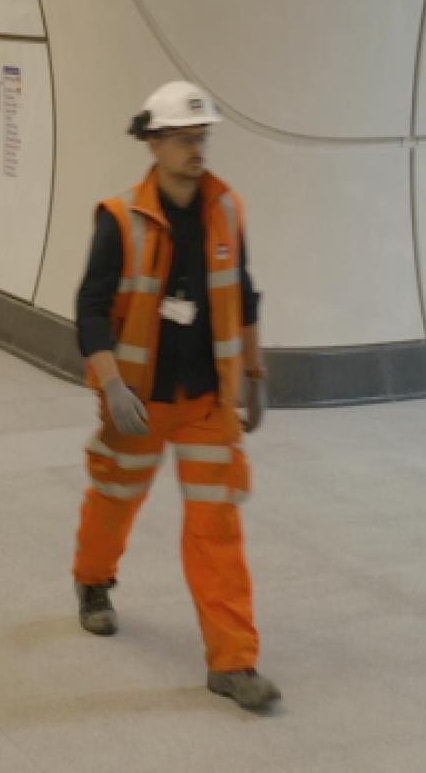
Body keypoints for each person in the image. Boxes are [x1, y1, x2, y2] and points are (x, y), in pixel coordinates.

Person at [70, 80, 280, 713]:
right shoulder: (119, 218)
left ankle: (233, 662)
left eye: (203, 138)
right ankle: (93, 582)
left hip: (206, 403)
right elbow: (91, 308)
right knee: (114, 498)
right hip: (139, 400)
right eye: (186, 140)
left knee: (217, 529)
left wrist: (255, 374)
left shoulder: (228, 210)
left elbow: (242, 293)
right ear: (154, 143)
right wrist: (111, 384)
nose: (198, 150)